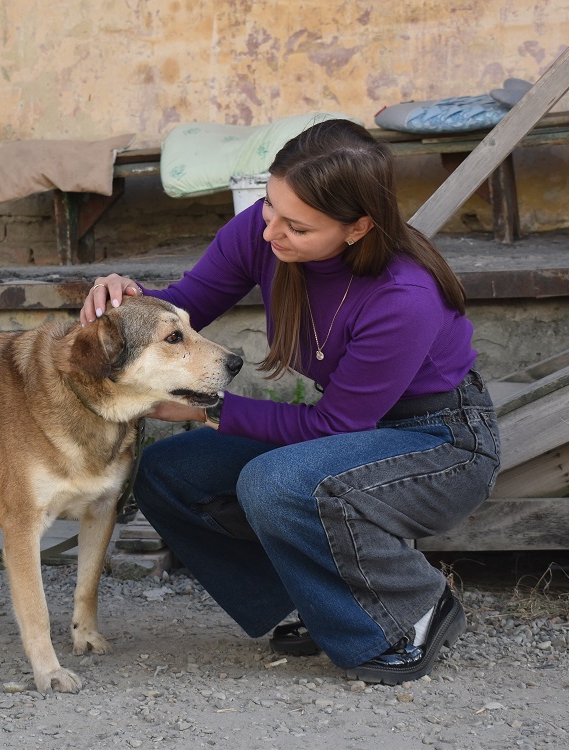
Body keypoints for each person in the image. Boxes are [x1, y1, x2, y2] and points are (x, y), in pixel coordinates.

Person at [79, 119, 500, 685]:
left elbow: (339, 423)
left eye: (296, 226)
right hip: (355, 433)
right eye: (270, 206)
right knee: (168, 472)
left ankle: (416, 607)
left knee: (276, 482)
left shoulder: (405, 296)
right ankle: (332, 605)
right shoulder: (263, 229)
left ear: (357, 229)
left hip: (440, 444)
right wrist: (123, 299)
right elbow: (184, 305)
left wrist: (211, 410)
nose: (270, 231)